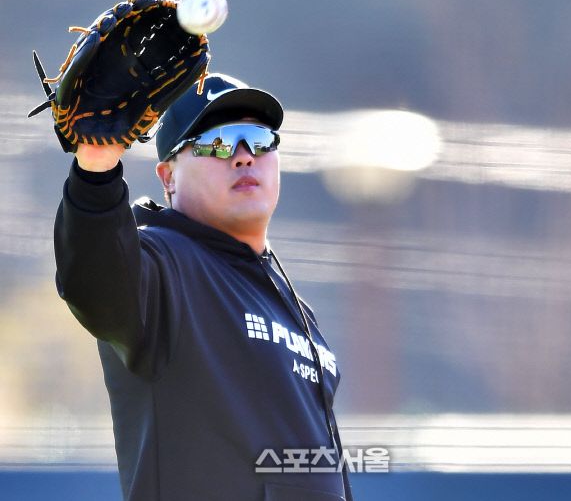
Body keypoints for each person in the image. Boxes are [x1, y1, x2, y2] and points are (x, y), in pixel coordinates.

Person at [54, 73, 353, 501]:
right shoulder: (162, 265)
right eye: (218, 143)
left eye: (259, 141)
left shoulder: (298, 311)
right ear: (168, 177)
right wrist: (96, 172)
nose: (244, 157)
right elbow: (96, 279)